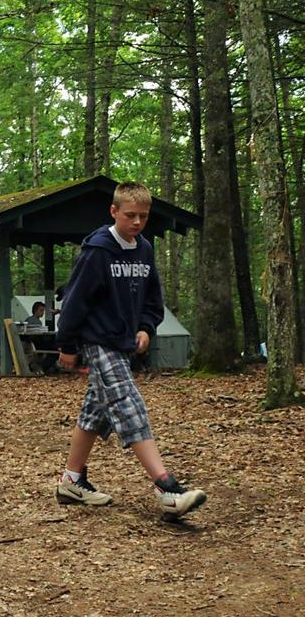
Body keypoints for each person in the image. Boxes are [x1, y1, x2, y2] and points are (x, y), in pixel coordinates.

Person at [54, 181, 206, 521]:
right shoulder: (97, 251)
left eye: (143, 216)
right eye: (130, 216)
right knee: (127, 403)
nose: (137, 222)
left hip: (124, 342)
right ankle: (167, 488)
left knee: (95, 410)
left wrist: (145, 328)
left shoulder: (145, 250)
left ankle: (71, 480)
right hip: (97, 339)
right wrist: (66, 344)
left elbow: (153, 299)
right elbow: (75, 300)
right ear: (114, 212)